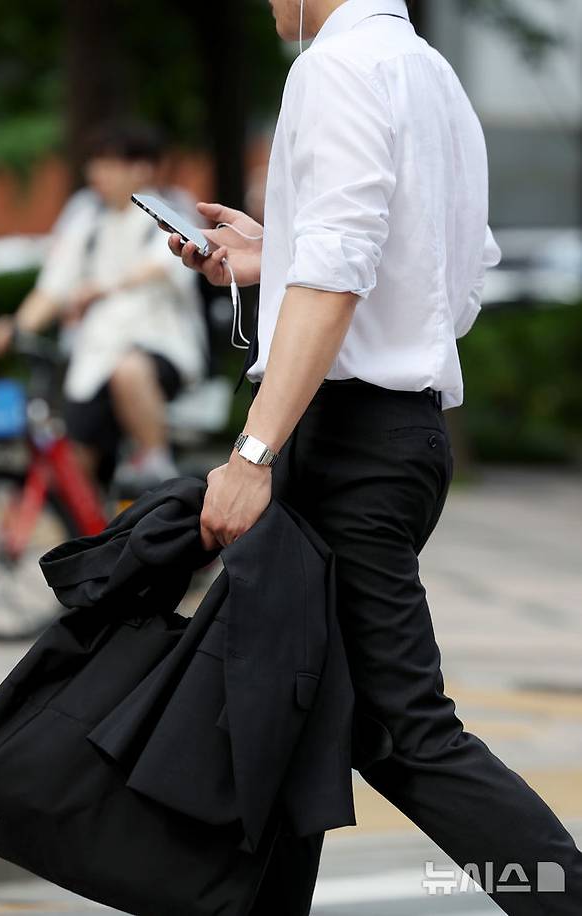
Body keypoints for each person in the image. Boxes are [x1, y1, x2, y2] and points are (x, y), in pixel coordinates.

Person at [168, 1, 582, 913]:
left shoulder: (333, 67)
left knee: (404, 731)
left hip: (345, 445)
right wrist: (273, 259)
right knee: (289, 710)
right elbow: (450, 271)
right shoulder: (434, 75)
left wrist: (252, 449)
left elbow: (342, 270)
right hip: (397, 436)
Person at [0, 121, 207, 487]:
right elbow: (53, 288)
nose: (96, 174)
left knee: (129, 370)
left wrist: (101, 289)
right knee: (76, 465)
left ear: (142, 169)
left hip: (159, 347)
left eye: (109, 163)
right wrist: (16, 326)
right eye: (96, 163)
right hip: (94, 357)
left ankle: (158, 471)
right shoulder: (86, 219)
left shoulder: (170, 211)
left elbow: (162, 265)